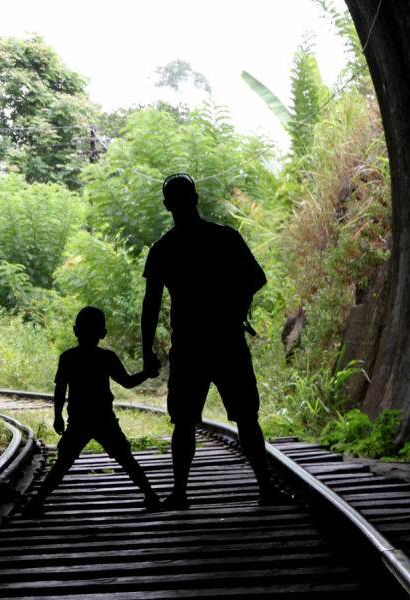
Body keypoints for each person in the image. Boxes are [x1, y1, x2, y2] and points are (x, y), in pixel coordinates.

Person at [141, 173, 286, 509]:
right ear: (196, 198)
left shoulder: (163, 249)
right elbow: (256, 278)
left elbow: (150, 305)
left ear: (167, 205)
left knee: (183, 422)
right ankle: (265, 489)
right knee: (246, 418)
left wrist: (147, 350)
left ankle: (179, 493)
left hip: (189, 346)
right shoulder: (224, 237)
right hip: (227, 339)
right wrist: (233, 306)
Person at [24, 306, 160, 515]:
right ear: (103, 334)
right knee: (125, 458)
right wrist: (147, 373)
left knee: (63, 462)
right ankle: (150, 495)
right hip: (104, 418)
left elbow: (60, 389)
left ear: (75, 331)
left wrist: (58, 416)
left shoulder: (68, 357)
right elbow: (127, 382)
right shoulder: (107, 357)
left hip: (79, 419)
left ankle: (37, 502)